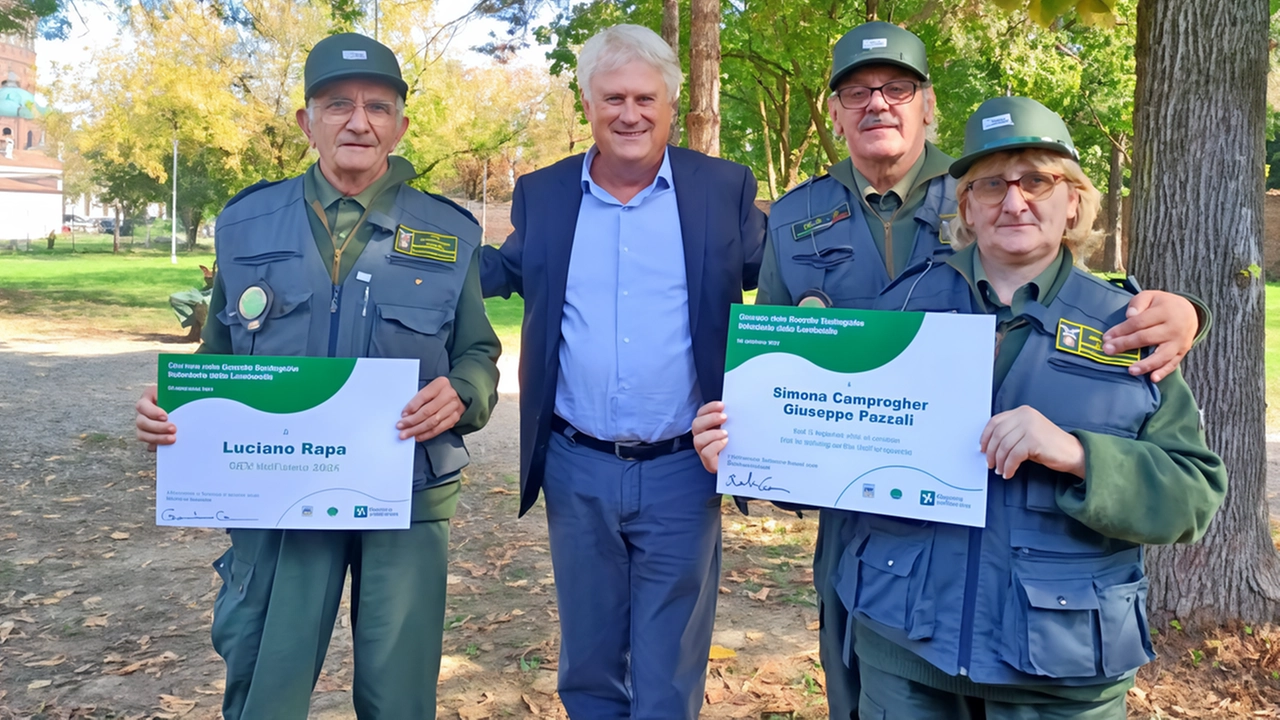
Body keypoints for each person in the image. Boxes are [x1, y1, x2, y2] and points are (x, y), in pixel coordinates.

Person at [696, 95, 1227, 720]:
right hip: (906, 655)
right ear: (966, 208)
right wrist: (750, 444)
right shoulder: (898, 314)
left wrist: (1080, 455)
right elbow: (834, 456)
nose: (1014, 200)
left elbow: (1193, 494)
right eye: (990, 184)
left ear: (1074, 201)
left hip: (1059, 669)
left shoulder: (1128, 330)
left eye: (1037, 180)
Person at [133, 32, 500, 720]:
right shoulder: (246, 223)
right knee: (265, 684)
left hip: (407, 488)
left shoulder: (449, 232)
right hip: (278, 490)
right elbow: (217, 355)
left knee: (399, 696)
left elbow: (478, 351)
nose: (358, 122)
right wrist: (176, 405)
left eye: (377, 107)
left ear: (400, 125)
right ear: (306, 122)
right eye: (337, 105)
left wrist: (462, 391)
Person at [479, 24, 766, 720]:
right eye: (613, 98)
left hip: (682, 469)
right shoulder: (543, 195)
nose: (630, 114)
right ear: (587, 104)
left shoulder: (721, 190)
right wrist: (407, 250)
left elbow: (793, 282)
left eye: (646, 97)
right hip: (577, 466)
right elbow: (493, 273)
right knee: (589, 664)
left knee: (669, 674)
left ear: (671, 104)